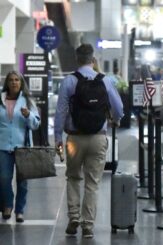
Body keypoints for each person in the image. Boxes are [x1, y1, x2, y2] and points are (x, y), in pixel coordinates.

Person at [54, 43, 124, 238]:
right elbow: (119, 108)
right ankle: (88, 225)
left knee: (74, 178)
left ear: (77, 59)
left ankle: (74, 217)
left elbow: (60, 111)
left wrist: (58, 137)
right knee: (92, 183)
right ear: (93, 60)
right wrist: (115, 120)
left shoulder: (69, 81)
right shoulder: (105, 80)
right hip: (98, 138)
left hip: (74, 140)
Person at [0, 71, 40, 223]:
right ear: (7, 83)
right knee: (4, 178)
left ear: (21, 83)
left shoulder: (28, 101)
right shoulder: (0, 99)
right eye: (11, 80)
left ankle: (20, 210)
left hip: (22, 146)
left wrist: (28, 115)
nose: (14, 82)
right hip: (3, 146)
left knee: (22, 181)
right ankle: (8, 205)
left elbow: (36, 124)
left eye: (17, 80)